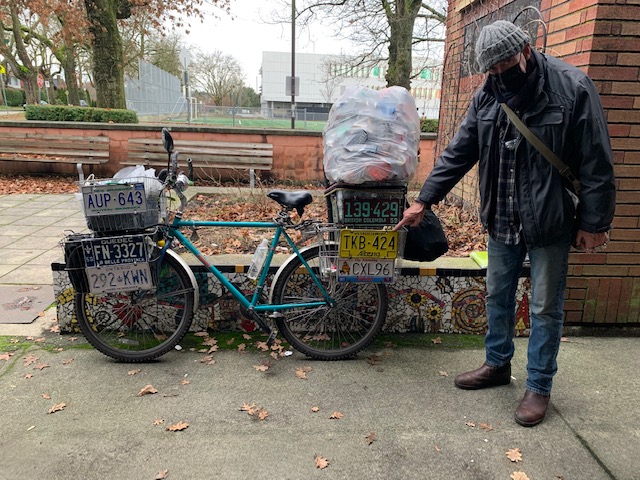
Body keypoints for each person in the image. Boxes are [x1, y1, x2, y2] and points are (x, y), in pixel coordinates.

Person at [394, 20, 616, 427]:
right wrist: (424, 199)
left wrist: (594, 222)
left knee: (546, 307)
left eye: (504, 66)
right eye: (490, 71)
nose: (499, 75)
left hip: (550, 220)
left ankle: (539, 386)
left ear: (525, 52)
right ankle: (497, 365)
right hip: (501, 219)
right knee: (497, 296)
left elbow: (596, 161)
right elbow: (459, 151)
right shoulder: (488, 95)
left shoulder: (573, 87)